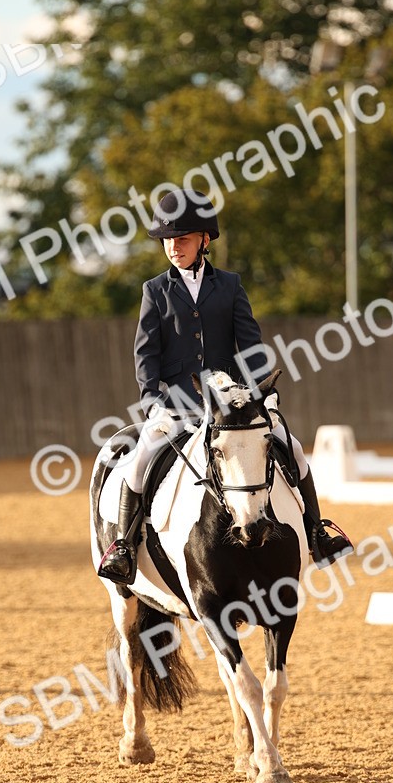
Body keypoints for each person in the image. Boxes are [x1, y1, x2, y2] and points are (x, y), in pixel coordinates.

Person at [97, 188, 352, 584]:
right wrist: (152, 400)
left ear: (204, 239)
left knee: (294, 448)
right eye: (167, 240)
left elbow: (250, 346)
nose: (172, 247)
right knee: (142, 455)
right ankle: (124, 547)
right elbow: (145, 353)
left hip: (231, 404)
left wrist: (263, 394)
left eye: (182, 239)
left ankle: (317, 533)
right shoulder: (155, 290)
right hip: (177, 404)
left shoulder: (230, 285)